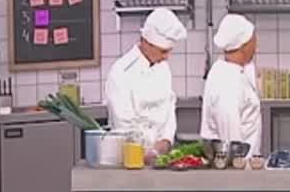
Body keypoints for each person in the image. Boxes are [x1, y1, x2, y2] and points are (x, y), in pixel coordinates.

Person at [103, 8, 187, 155]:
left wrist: (166, 140)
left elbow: (169, 107)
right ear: (146, 43)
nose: (167, 57)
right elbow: (123, 124)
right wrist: (148, 150)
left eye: (169, 51)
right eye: (163, 51)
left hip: (160, 155)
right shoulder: (121, 72)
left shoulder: (163, 69)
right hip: (131, 155)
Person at [201, 13, 262, 155]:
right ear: (244, 45)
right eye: (253, 40)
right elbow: (229, 138)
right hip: (236, 163)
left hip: (247, 159)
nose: (257, 45)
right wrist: (236, 163)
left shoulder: (238, 68)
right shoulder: (226, 82)